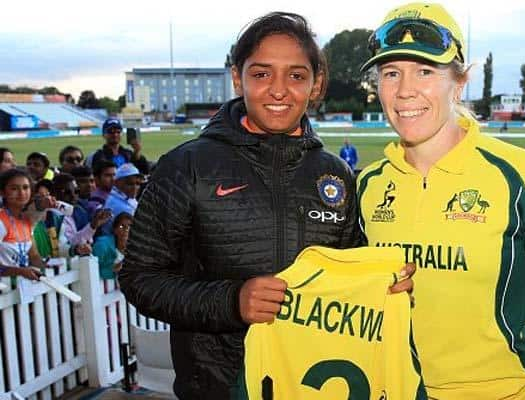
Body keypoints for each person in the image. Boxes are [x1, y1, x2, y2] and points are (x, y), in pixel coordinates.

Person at [119, 12, 412, 399]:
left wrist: (384, 286)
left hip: (314, 385)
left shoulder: (336, 175)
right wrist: (231, 301)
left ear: (316, 83)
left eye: (295, 75)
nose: (278, 90)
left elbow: (348, 273)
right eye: (261, 74)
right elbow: (139, 279)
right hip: (217, 387)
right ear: (238, 78)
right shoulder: (186, 166)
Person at [357, 3, 525, 399]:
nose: (404, 90)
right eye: (391, 73)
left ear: (459, 83)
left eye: (425, 72)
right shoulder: (368, 184)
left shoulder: (523, 175)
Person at [0, 169, 46, 280]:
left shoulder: (26, 220)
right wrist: (20, 271)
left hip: (22, 289)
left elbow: (34, 256)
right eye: (14, 188)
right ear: (2, 192)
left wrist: (46, 268)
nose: (21, 193)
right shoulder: (1, 220)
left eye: (26, 187)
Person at [101, 163, 142, 235]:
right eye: (130, 184)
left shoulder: (123, 196)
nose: (135, 188)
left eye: (138, 183)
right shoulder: (117, 205)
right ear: (116, 183)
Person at [92, 212, 132, 279]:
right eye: (122, 226)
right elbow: (93, 271)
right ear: (115, 229)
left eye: (130, 226)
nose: (126, 230)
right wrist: (113, 270)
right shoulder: (102, 245)